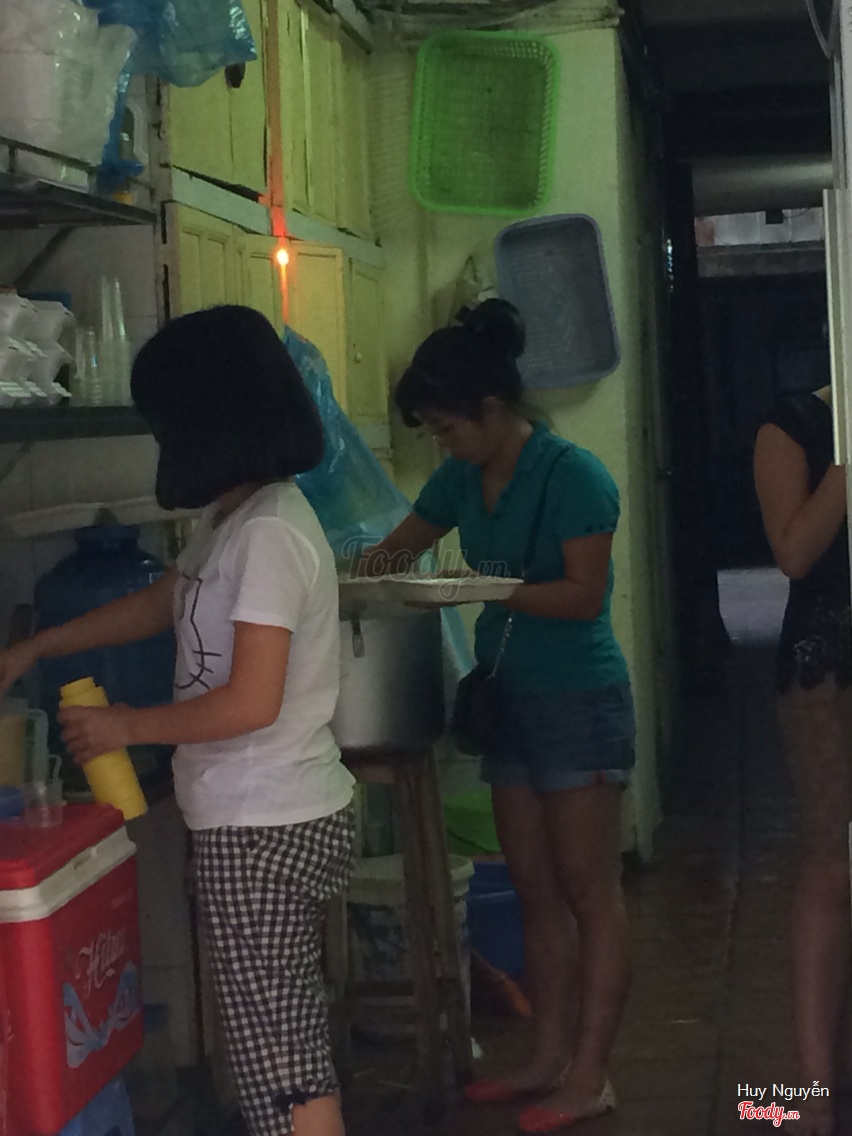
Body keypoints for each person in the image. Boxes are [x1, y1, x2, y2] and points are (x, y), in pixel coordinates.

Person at [0, 307, 356, 1136]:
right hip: (254, 818)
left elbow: (251, 702)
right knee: (275, 1050)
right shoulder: (232, 519)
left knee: (282, 1065)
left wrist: (126, 728)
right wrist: (40, 646)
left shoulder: (270, 532)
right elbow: (167, 600)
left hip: (265, 827)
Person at [357, 300, 634, 1134]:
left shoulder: (572, 475)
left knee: (590, 890)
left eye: (447, 428)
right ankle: (546, 1057)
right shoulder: (459, 478)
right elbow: (394, 551)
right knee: (535, 887)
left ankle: (590, 1074)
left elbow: (583, 596)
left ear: (490, 408)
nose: (442, 444)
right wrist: (350, 574)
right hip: (508, 695)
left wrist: (488, 589)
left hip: (578, 697)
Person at [754, 385, 851, 1136]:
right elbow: (793, 553)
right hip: (829, 661)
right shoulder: (792, 425)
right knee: (831, 863)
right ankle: (810, 1091)